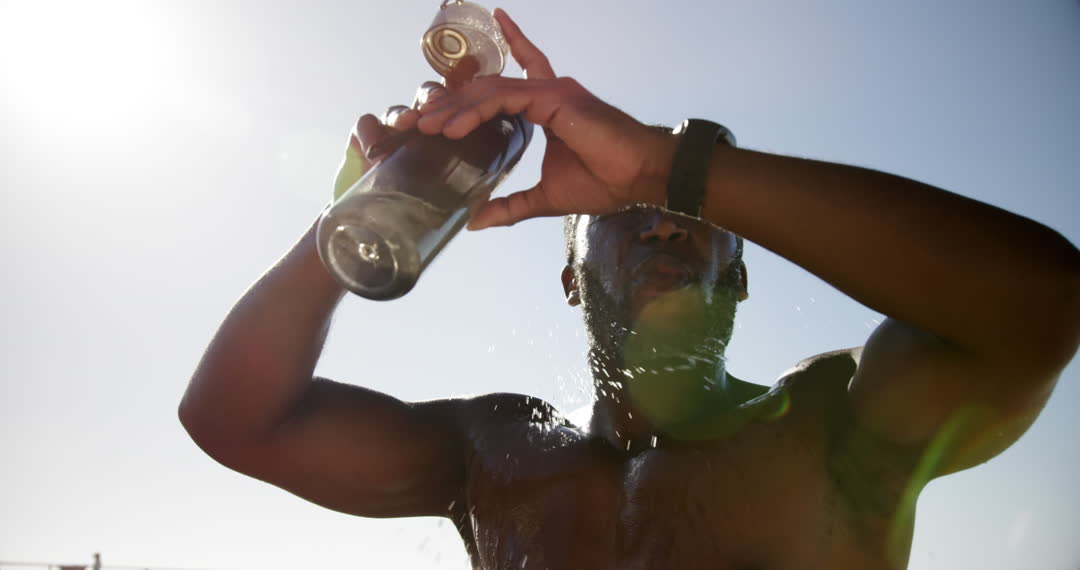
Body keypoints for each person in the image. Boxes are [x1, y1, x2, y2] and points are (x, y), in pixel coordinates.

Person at [179, 9, 1079, 570]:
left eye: (688, 210)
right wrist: (361, 210)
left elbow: (1044, 305)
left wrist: (660, 163)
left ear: (741, 273)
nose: (662, 222)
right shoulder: (494, 451)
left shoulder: (830, 425)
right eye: (625, 211)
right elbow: (231, 418)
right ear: (573, 279)